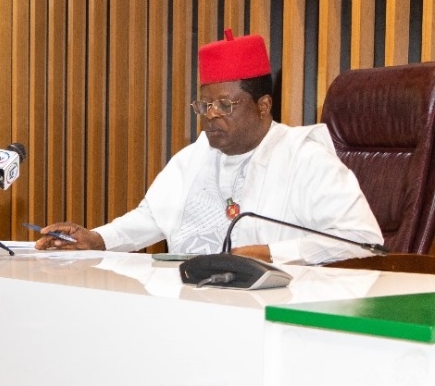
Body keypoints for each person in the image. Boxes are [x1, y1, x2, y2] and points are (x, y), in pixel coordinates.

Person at [35, 29, 383, 265]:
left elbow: (363, 242)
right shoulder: (194, 157)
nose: (211, 116)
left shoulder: (305, 158)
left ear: (263, 106)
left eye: (225, 106)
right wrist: (97, 238)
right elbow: (152, 218)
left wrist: (271, 254)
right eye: (204, 106)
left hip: (283, 314)